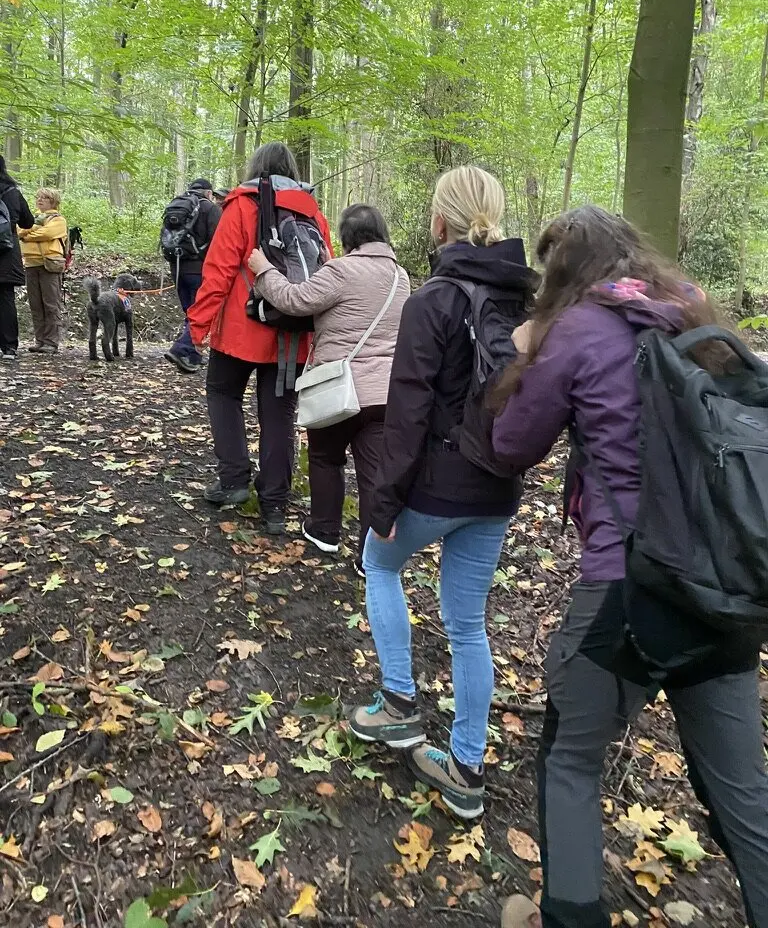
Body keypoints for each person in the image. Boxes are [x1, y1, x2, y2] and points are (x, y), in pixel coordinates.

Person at [492, 206, 768, 928]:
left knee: (571, 758)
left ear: (563, 271)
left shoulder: (577, 330)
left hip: (633, 586)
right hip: (727, 583)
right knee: (742, 796)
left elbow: (513, 443)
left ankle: (569, 914)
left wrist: (522, 353)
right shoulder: (690, 311)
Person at [349, 166, 536, 820]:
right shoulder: (526, 304)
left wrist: (384, 503)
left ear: (438, 223)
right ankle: (465, 767)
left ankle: (399, 704)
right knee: (467, 627)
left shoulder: (430, 301)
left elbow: (407, 416)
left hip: (434, 486)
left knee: (377, 563)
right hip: (495, 488)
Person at [248, 203, 409, 573]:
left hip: (340, 385)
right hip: (385, 394)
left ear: (347, 237)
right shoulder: (401, 276)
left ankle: (324, 530)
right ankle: (371, 559)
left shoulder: (340, 270)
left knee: (325, 456)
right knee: (373, 474)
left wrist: (263, 271)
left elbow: (294, 299)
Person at [187, 142, 331, 535]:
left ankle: (234, 480)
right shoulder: (312, 212)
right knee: (279, 414)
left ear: (256, 168)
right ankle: (275, 507)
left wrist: (195, 328)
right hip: (292, 330)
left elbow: (217, 272)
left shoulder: (241, 205)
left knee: (222, 393)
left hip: (240, 329)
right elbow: (326, 272)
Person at [164, 178, 221, 374]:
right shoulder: (210, 209)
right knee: (200, 313)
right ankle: (181, 349)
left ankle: (194, 357)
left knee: (191, 312)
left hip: (177, 267)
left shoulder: (177, 205)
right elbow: (219, 240)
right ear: (208, 193)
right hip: (199, 269)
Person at [18, 187, 68, 354]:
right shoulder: (32, 218)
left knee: (51, 304)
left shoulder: (58, 219)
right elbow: (19, 231)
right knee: (35, 304)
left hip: (50, 264)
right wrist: (28, 231)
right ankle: (39, 340)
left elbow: (47, 233)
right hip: (31, 264)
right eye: (38, 197)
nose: (40, 200)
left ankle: (51, 342)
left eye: (44, 198)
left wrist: (27, 234)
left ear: (53, 201)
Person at [0, 156, 34, 360]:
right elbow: (28, 222)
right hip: (6, 251)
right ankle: (9, 347)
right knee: (6, 298)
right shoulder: (12, 192)